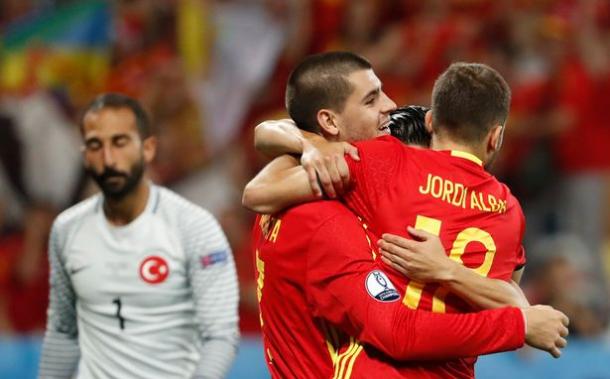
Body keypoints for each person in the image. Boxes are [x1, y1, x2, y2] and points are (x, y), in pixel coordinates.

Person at [244, 52, 569, 378]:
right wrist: (515, 323)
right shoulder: (328, 219)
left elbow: (259, 183)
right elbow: (398, 332)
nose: (390, 104)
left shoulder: (339, 187)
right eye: (371, 99)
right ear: (495, 137)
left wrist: (306, 142)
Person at [38, 93, 239, 379]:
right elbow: (63, 333)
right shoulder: (67, 230)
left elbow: (220, 335)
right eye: (96, 145)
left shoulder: (195, 227)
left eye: (120, 143)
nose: (109, 159)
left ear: (147, 149)